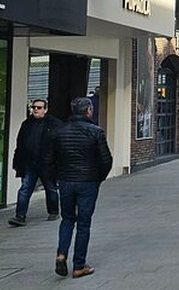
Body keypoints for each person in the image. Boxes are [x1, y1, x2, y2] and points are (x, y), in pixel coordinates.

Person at [45, 97, 113, 279]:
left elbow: (49, 160)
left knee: (67, 219)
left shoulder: (58, 132)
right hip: (88, 182)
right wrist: (99, 178)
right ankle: (79, 265)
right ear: (89, 110)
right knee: (83, 223)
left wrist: (56, 179)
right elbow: (106, 160)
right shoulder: (96, 131)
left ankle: (61, 254)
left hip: (66, 181)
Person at [9, 99, 60, 227]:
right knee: (25, 189)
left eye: (39, 107)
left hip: (47, 164)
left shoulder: (54, 124)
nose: (36, 110)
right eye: (34, 107)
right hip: (29, 163)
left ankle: (53, 211)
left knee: (51, 188)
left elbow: (59, 144)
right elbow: (20, 143)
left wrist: (57, 162)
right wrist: (17, 162)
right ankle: (20, 216)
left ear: (45, 109)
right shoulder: (26, 124)